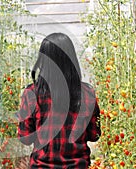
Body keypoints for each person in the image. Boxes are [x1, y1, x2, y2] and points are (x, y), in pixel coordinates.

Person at [16, 33, 101, 169]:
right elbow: (94, 135)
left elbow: (25, 138)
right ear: (71, 59)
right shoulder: (87, 94)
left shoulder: (32, 94)